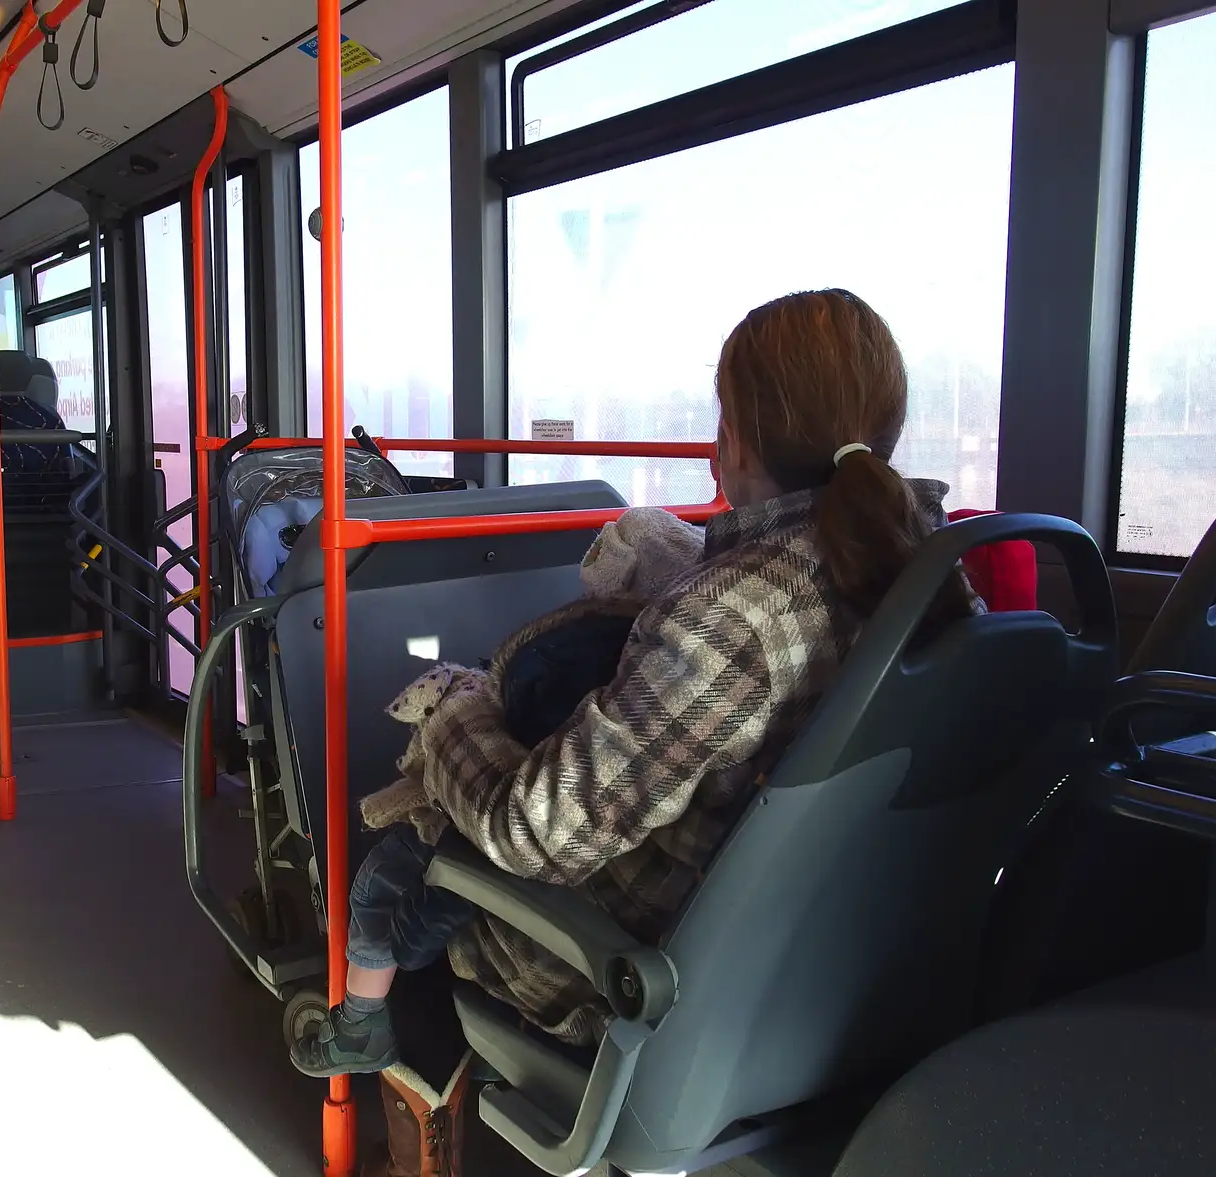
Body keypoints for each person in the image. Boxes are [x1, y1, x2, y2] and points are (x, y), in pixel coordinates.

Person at [329, 289, 982, 1176]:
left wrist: (456, 708)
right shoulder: (934, 574)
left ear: (736, 439)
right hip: (840, 969)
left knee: (424, 837)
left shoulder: (735, 615)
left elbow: (533, 833)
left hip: (627, 974)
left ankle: (392, 1068)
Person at [290, 508, 708, 1079]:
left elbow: (528, 827)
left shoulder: (578, 654)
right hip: (660, 920)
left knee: (379, 881)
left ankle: (362, 1022)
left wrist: (454, 702)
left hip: (550, 889)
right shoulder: (685, 680)